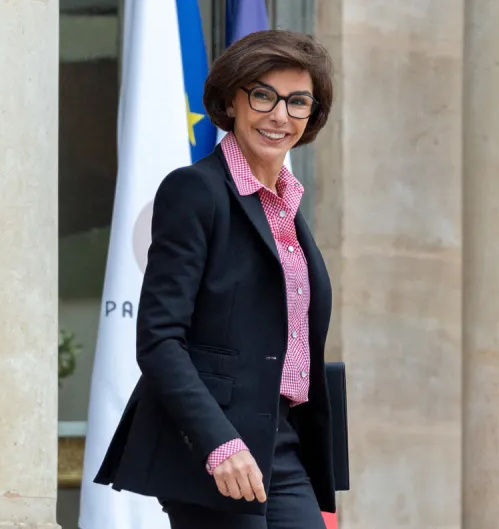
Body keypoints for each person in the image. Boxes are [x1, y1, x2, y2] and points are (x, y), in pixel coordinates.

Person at [94, 29, 336, 529]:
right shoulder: (195, 191)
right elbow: (160, 340)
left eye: (297, 102)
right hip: (212, 446)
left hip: (283, 443)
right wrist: (218, 443)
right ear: (231, 101)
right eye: (263, 95)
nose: (279, 115)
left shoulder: (288, 208)